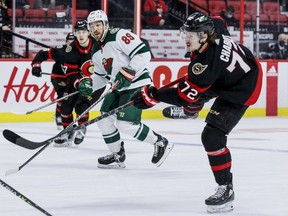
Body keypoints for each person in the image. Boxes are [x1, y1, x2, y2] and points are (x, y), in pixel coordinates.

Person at [131, 12, 263, 213]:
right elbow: (219, 19)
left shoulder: (205, 68)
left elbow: (184, 96)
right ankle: (191, 112)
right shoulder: (215, 28)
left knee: (211, 136)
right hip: (230, 74)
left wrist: (154, 96)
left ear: (203, 36)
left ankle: (226, 188)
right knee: (194, 93)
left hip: (242, 88)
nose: (186, 38)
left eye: (190, 35)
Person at [84, 10, 173, 169]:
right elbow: (100, 76)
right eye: (92, 26)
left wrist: (129, 70)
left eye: (98, 24)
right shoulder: (95, 50)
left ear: (105, 24)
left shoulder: (119, 35)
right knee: (104, 120)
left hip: (136, 82)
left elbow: (143, 53)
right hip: (118, 87)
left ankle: (160, 142)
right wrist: (89, 85)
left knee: (126, 124)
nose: (95, 29)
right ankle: (118, 155)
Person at [31, 20, 96, 147]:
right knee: (65, 102)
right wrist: (36, 64)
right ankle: (67, 131)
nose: (80, 35)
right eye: (78, 32)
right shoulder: (64, 51)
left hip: (84, 80)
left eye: (83, 32)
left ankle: (81, 128)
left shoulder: (96, 46)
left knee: (81, 105)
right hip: (62, 78)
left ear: (88, 33)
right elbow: (44, 52)